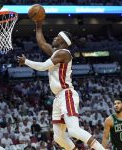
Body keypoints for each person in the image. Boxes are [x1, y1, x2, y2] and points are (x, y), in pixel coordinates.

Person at [17, 20, 105, 150]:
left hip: (66, 94)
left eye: (57, 37)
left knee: (74, 130)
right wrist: (38, 25)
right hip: (58, 97)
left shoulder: (64, 53)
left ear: (63, 41)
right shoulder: (56, 53)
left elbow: (43, 67)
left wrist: (26, 61)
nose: (54, 37)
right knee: (58, 137)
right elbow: (42, 43)